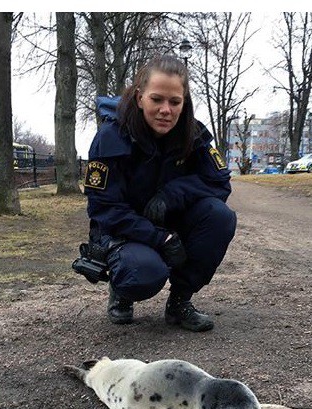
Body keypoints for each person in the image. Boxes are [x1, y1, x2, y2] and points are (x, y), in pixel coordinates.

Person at [82, 55, 236, 332]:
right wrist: (159, 238)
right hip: (126, 231)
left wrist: (172, 195)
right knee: (142, 273)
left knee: (220, 217)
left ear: (184, 102)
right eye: (157, 99)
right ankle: (123, 291)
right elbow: (103, 208)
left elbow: (219, 182)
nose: (166, 110)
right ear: (140, 98)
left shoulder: (193, 134)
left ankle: (179, 302)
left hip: (171, 221)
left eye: (175, 102)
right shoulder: (111, 137)